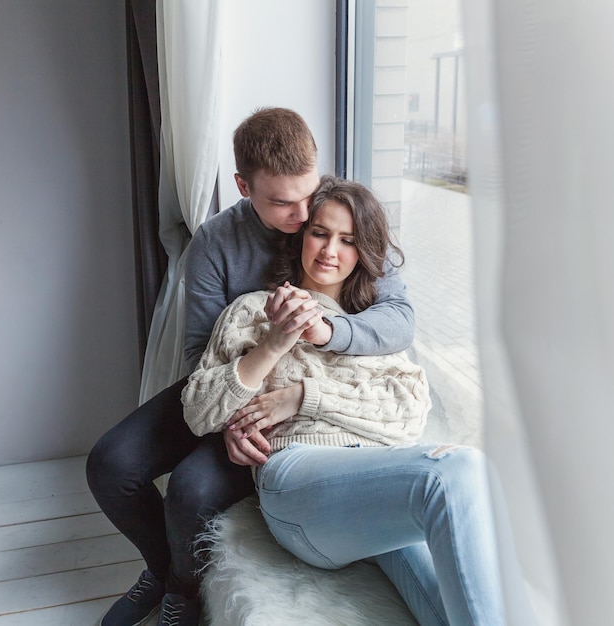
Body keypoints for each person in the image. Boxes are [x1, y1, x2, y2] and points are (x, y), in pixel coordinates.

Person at [86, 108, 416, 626]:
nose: (305, 214)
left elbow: (399, 318)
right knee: (110, 464)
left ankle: (181, 590)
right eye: (283, 204)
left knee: (191, 489)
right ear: (243, 186)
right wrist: (232, 423)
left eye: (309, 194)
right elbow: (200, 357)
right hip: (228, 378)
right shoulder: (215, 243)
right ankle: (163, 568)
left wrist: (327, 333)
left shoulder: (339, 215)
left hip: (294, 396)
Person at [182, 175, 534, 625]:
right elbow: (197, 411)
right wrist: (273, 345)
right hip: (296, 481)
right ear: (302, 235)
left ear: (364, 252)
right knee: (456, 471)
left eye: (348, 241)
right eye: (320, 233)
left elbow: (409, 410)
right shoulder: (252, 309)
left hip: (374, 484)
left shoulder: (371, 328)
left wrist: (305, 397)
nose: (330, 251)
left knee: (455, 607)